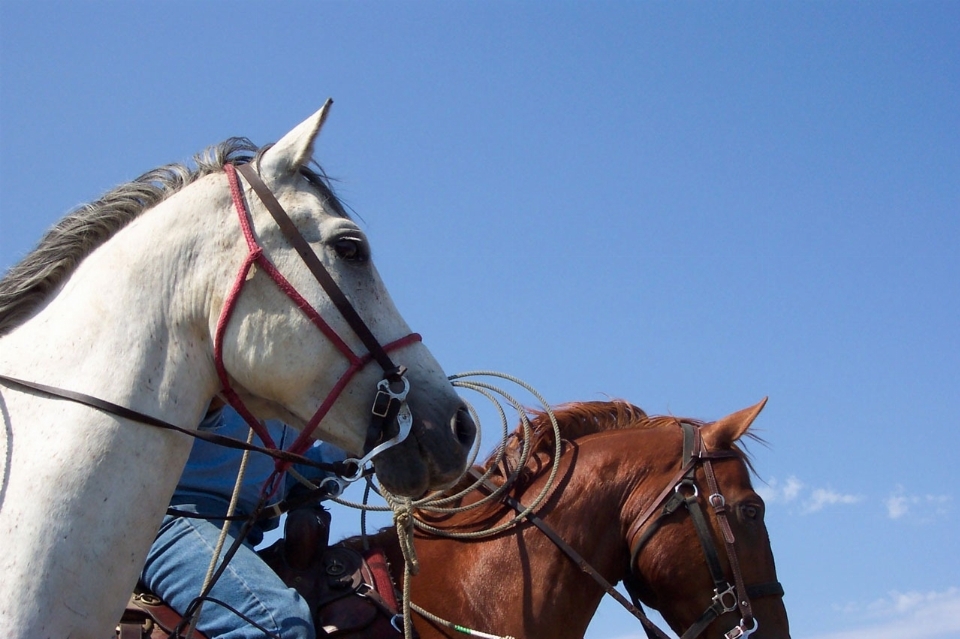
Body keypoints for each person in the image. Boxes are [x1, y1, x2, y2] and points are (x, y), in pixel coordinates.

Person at [141, 400, 346, 639]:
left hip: (237, 530)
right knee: (277, 625)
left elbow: (269, 478)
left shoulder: (300, 393)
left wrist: (345, 456)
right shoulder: (226, 367)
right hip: (171, 514)